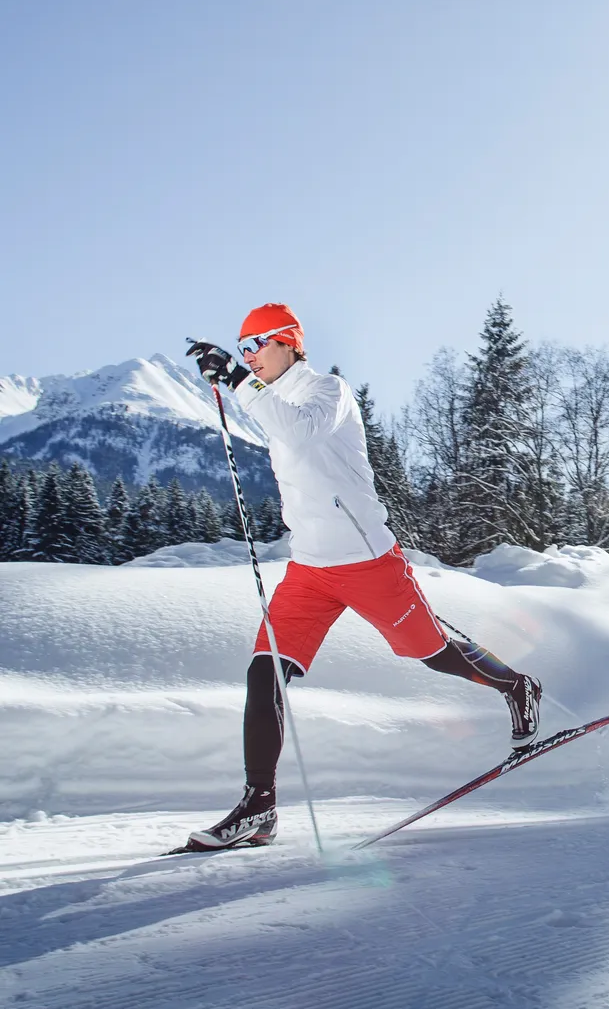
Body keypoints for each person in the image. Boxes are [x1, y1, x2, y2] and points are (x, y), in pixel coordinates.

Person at [185, 303, 541, 849]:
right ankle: (259, 806)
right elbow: (283, 435)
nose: (248, 356)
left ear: (289, 343)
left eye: (256, 344)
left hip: (367, 561)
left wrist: (235, 380)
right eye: (241, 348)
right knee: (264, 673)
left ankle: (517, 685)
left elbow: (300, 434)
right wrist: (236, 385)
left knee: (433, 652)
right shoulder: (270, 402)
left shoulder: (327, 392)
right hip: (309, 570)